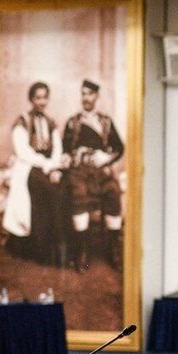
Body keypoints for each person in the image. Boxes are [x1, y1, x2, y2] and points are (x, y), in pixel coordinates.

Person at [62, 78, 125, 272]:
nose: (86, 98)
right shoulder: (73, 122)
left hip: (101, 171)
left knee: (113, 192)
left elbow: (119, 148)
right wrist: (68, 157)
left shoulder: (105, 122)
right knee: (79, 194)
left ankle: (113, 251)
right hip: (79, 171)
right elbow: (65, 149)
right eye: (83, 94)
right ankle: (82, 253)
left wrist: (106, 158)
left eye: (90, 94)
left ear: (96, 96)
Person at [1, 81, 64, 266]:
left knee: (62, 187)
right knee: (44, 188)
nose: (42, 102)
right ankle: (38, 250)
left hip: (47, 166)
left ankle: (56, 250)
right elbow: (23, 152)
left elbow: (57, 148)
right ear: (31, 99)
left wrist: (54, 166)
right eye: (38, 98)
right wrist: (46, 165)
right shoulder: (22, 121)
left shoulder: (50, 122)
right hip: (28, 166)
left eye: (45, 98)